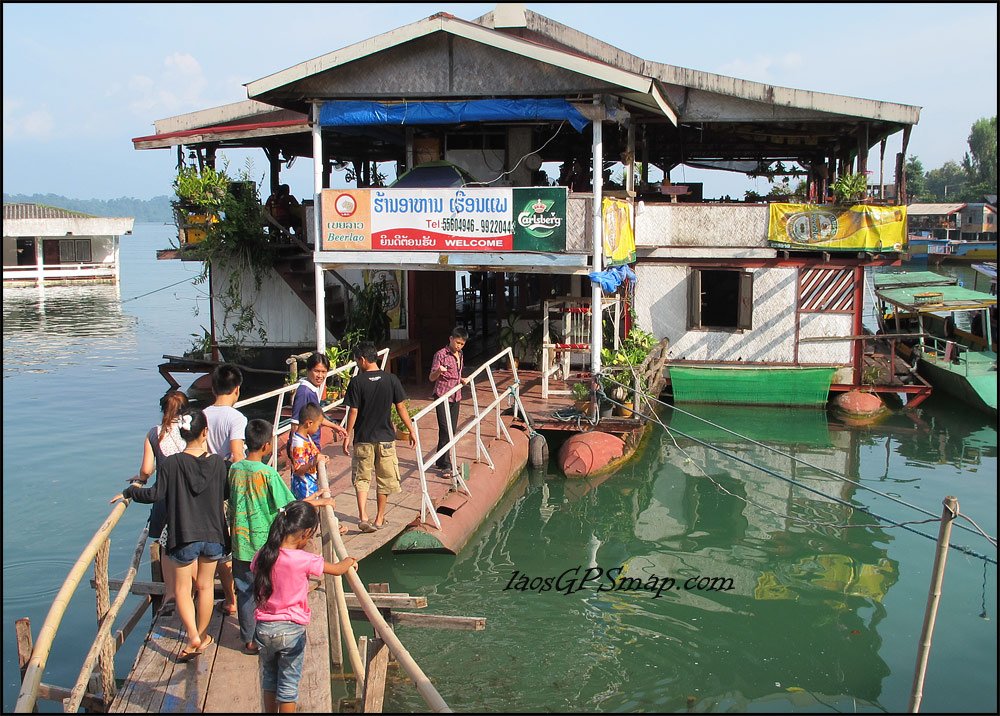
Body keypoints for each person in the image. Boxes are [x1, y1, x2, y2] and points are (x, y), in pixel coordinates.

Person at [112, 409, 229, 662]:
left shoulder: (173, 463)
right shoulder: (219, 463)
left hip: (182, 534)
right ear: (205, 432)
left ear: (183, 434)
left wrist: (131, 491)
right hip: (213, 533)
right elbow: (226, 493)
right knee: (206, 586)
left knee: (182, 588)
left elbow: (155, 494)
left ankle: (192, 637)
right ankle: (203, 633)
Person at [228, 419, 338, 654]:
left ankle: (249, 639)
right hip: (264, 545)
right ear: (268, 445)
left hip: (239, 543)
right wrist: (320, 500)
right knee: (268, 589)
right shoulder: (268, 474)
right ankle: (272, 633)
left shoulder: (235, 469)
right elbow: (289, 505)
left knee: (245, 591)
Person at [252, 500, 357, 713]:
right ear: (306, 533)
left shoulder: (265, 553)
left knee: (270, 678)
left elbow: (257, 570)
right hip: (291, 629)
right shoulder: (303, 559)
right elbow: (337, 569)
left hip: (264, 628)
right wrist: (349, 561)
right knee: (288, 686)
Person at [342, 342, 415, 532]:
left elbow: (353, 412)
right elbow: (400, 407)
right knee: (384, 480)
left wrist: (347, 435)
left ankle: (363, 516)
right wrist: (411, 430)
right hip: (386, 439)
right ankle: (379, 518)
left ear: (363, 360)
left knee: (362, 479)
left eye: (357, 360)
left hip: (363, 438)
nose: (357, 364)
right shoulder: (391, 379)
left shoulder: (357, 382)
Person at [133, 389, 190, 612]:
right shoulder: (192, 430)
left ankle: (170, 594)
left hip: (165, 498)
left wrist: (140, 479)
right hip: (191, 498)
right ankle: (190, 589)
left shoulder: (155, 434)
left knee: (166, 547)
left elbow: (147, 469)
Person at [203, 363, 245, 617]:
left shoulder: (201, 415)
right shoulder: (236, 418)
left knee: (216, 545)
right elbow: (237, 456)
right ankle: (235, 598)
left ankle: (226, 597)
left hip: (204, 487)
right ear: (237, 390)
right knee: (231, 544)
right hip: (227, 487)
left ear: (213, 388)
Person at [428, 327, 470, 474]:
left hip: (456, 395)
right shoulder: (440, 355)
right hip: (442, 395)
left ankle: (441, 460)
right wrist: (439, 371)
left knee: (450, 430)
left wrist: (461, 379)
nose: (459, 346)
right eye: (457, 342)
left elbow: (457, 373)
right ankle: (446, 464)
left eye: (462, 344)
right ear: (450, 339)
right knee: (445, 429)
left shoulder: (461, 354)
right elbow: (431, 377)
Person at [289, 352, 348, 447]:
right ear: (308, 370)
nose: (320, 376)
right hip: (305, 449)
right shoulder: (304, 392)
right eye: (316, 371)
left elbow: (317, 418)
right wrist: (297, 449)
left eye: (324, 372)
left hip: (313, 445)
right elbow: (295, 424)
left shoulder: (313, 389)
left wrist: (335, 427)